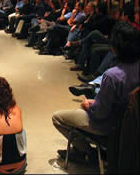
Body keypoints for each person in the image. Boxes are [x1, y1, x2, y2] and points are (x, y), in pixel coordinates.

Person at [52, 22, 140, 165]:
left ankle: (87, 153)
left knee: (57, 118)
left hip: (110, 126)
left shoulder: (112, 76)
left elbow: (100, 113)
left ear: (115, 47)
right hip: (131, 126)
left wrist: (88, 106)